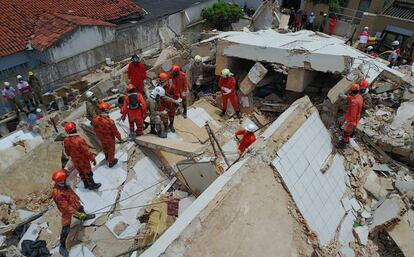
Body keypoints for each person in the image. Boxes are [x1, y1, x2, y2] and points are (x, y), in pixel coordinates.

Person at [51, 169, 95, 257]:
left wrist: (77, 200)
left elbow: (71, 193)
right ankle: (62, 245)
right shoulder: (57, 194)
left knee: (81, 209)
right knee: (66, 226)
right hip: (67, 210)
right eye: (67, 178)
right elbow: (66, 207)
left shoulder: (65, 185)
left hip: (74, 203)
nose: (69, 179)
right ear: (61, 181)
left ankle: (84, 217)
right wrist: (77, 214)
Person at [63, 122, 101, 190]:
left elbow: (67, 152)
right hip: (83, 160)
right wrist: (92, 159)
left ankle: (86, 184)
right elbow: (86, 151)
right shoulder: (79, 140)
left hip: (75, 160)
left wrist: (73, 156)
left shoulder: (66, 140)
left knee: (81, 172)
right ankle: (92, 185)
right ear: (75, 129)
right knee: (88, 172)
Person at [92, 102, 122, 168]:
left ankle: (107, 157)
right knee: (111, 150)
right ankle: (111, 162)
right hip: (109, 139)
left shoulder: (95, 119)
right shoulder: (109, 121)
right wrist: (120, 139)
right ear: (107, 110)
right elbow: (115, 132)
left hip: (101, 137)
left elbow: (94, 128)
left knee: (105, 148)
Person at [337, 84, 363, 149]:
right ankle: (346, 139)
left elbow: (352, 115)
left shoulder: (354, 103)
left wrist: (346, 122)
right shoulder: (359, 97)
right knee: (346, 130)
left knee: (346, 132)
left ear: (352, 91)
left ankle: (343, 144)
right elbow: (351, 98)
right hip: (355, 118)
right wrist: (345, 97)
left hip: (351, 120)